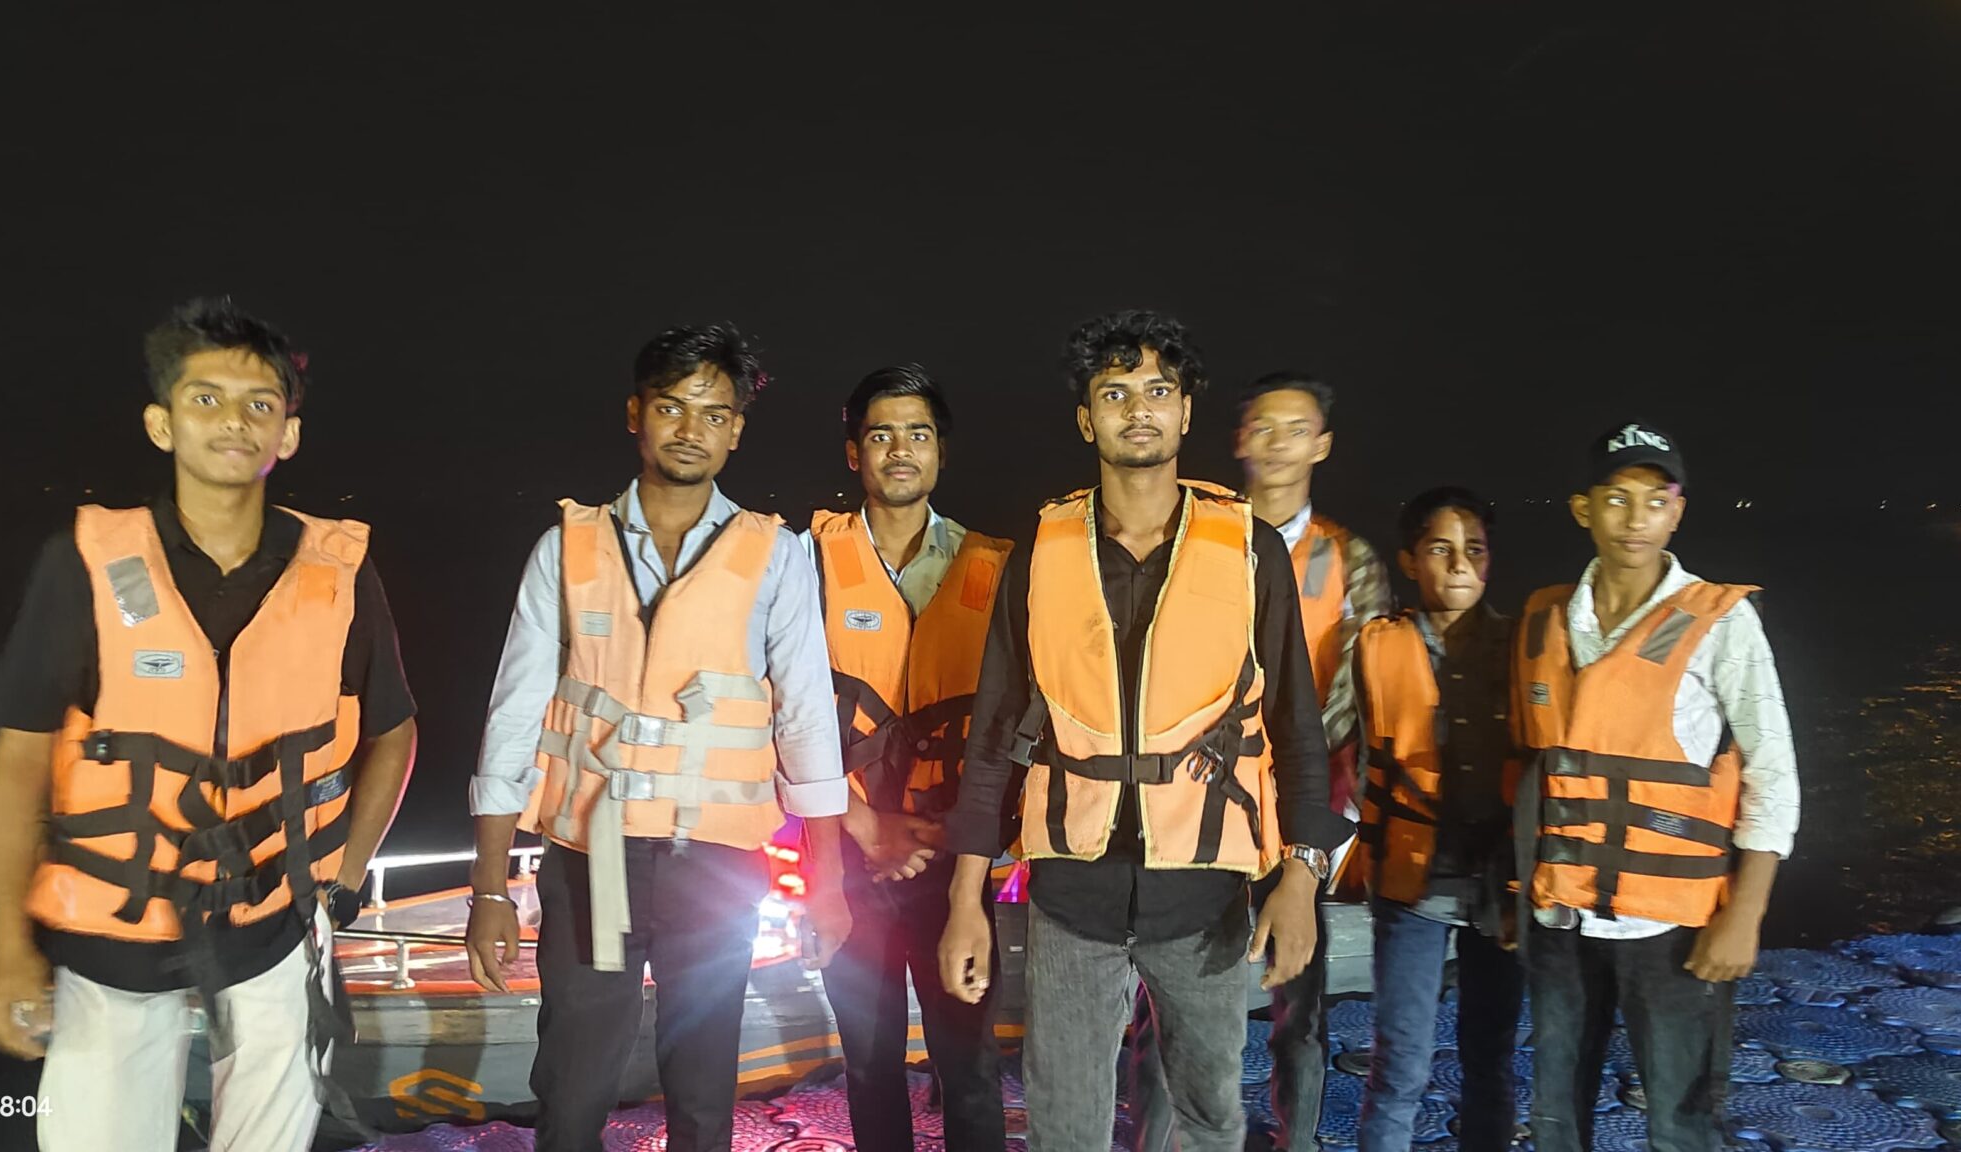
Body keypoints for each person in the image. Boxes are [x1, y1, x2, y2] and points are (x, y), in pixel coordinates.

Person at [0, 297, 419, 1152]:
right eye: (205, 398)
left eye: (259, 403)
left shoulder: (339, 573)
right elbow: (18, 757)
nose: (233, 421)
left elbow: (392, 733)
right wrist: (6, 949)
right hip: (116, 928)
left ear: (288, 434)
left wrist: (345, 877)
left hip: (280, 922)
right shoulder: (84, 564)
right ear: (161, 423)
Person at [937, 308, 1352, 1152]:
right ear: (1086, 419)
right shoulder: (1042, 551)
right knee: (1065, 1128)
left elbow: (1296, 727)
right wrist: (964, 897)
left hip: (1204, 897)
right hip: (1070, 896)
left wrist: (1302, 878)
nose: (1138, 409)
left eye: (1158, 391)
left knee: (1209, 1118)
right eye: (1114, 393)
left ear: (1186, 412)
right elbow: (995, 734)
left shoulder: (1249, 549)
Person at [461, 324, 855, 1152]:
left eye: (713, 414)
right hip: (591, 857)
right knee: (572, 1083)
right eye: (672, 407)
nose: (690, 429)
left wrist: (829, 880)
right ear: (635, 413)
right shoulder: (565, 550)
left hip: (715, 867)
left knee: (704, 1090)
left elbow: (807, 720)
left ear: (736, 429)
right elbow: (513, 717)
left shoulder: (777, 557)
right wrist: (489, 888)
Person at [1511, 423, 1801, 1152]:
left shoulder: (1722, 621)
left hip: (1673, 928)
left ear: (1677, 513)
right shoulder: (1544, 618)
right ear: (1583, 509)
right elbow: (1528, 767)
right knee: (1554, 1117)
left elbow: (1772, 771)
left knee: (1681, 1120)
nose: (1635, 518)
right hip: (1561, 920)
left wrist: (1745, 916)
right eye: (1616, 498)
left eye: (1656, 500)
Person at [1128, 370, 1394, 1152]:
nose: (1279, 444)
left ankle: (1295, 1139)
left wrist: (1324, 824)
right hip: (1194, 807)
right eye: (1264, 427)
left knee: (1297, 1005)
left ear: (1323, 444)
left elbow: (1365, 698)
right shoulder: (1192, 538)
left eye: (1297, 429)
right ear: (1240, 439)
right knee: (1164, 1002)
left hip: (1294, 811)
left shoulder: (1349, 559)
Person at [806, 365, 1009, 1151]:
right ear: (853, 452)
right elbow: (778, 712)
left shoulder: (996, 569)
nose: (900, 450)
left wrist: (957, 833)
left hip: (953, 860)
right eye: (881, 435)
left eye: (918, 434)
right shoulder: (807, 563)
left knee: (970, 1064)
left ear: (940, 453)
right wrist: (864, 826)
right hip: (846, 851)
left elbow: (1016, 720)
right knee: (868, 1063)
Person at [1352, 487, 1523, 1152]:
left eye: (1474, 550)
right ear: (1409, 560)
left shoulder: (1525, 646)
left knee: (1491, 1059)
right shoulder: (1374, 646)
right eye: (1440, 549)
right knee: (1399, 1063)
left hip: (1502, 885)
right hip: (1410, 880)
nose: (1459, 565)